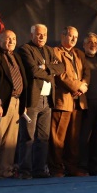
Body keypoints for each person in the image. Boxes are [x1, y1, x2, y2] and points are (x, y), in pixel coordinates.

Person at [18, 24, 63, 178]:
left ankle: (38, 170)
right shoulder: (25, 49)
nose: (42, 37)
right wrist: (50, 70)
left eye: (44, 34)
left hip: (47, 100)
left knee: (43, 138)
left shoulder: (50, 50)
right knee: (28, 137)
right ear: (32, 35)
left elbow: (62, 67)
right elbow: (33, 71)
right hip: (33, 99)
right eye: (38, 34)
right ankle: (25, 170)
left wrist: (45, 67)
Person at [0, 30, 27, 178]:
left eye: (14, 39)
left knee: (11, 141)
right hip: (2, 103)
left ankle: (6, 170)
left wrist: (23, 103)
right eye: (8, 38)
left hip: (16, 102)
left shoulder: (16, 56)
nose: (11, 41)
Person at [50, 26, 90, 177]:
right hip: (62, 101)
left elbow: (87, 71)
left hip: (78, 101)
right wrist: (77, 85)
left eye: (76, 37)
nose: (74, 39)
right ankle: (56, 169)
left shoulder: (79, 53)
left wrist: (83, 86)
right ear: (63, 36)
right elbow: (60, 75)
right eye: (71, 36)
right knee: (57, 139)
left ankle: (72, 168)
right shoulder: (55, 52)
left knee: (73, 139)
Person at [80, 33, 97, 175]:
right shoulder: (79, 59)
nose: (93, 45)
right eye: (90, 42)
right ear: (84, 45)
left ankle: (96, 168)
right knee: (84, 137)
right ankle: (83, 168)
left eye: (96, 42)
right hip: (86, 104)